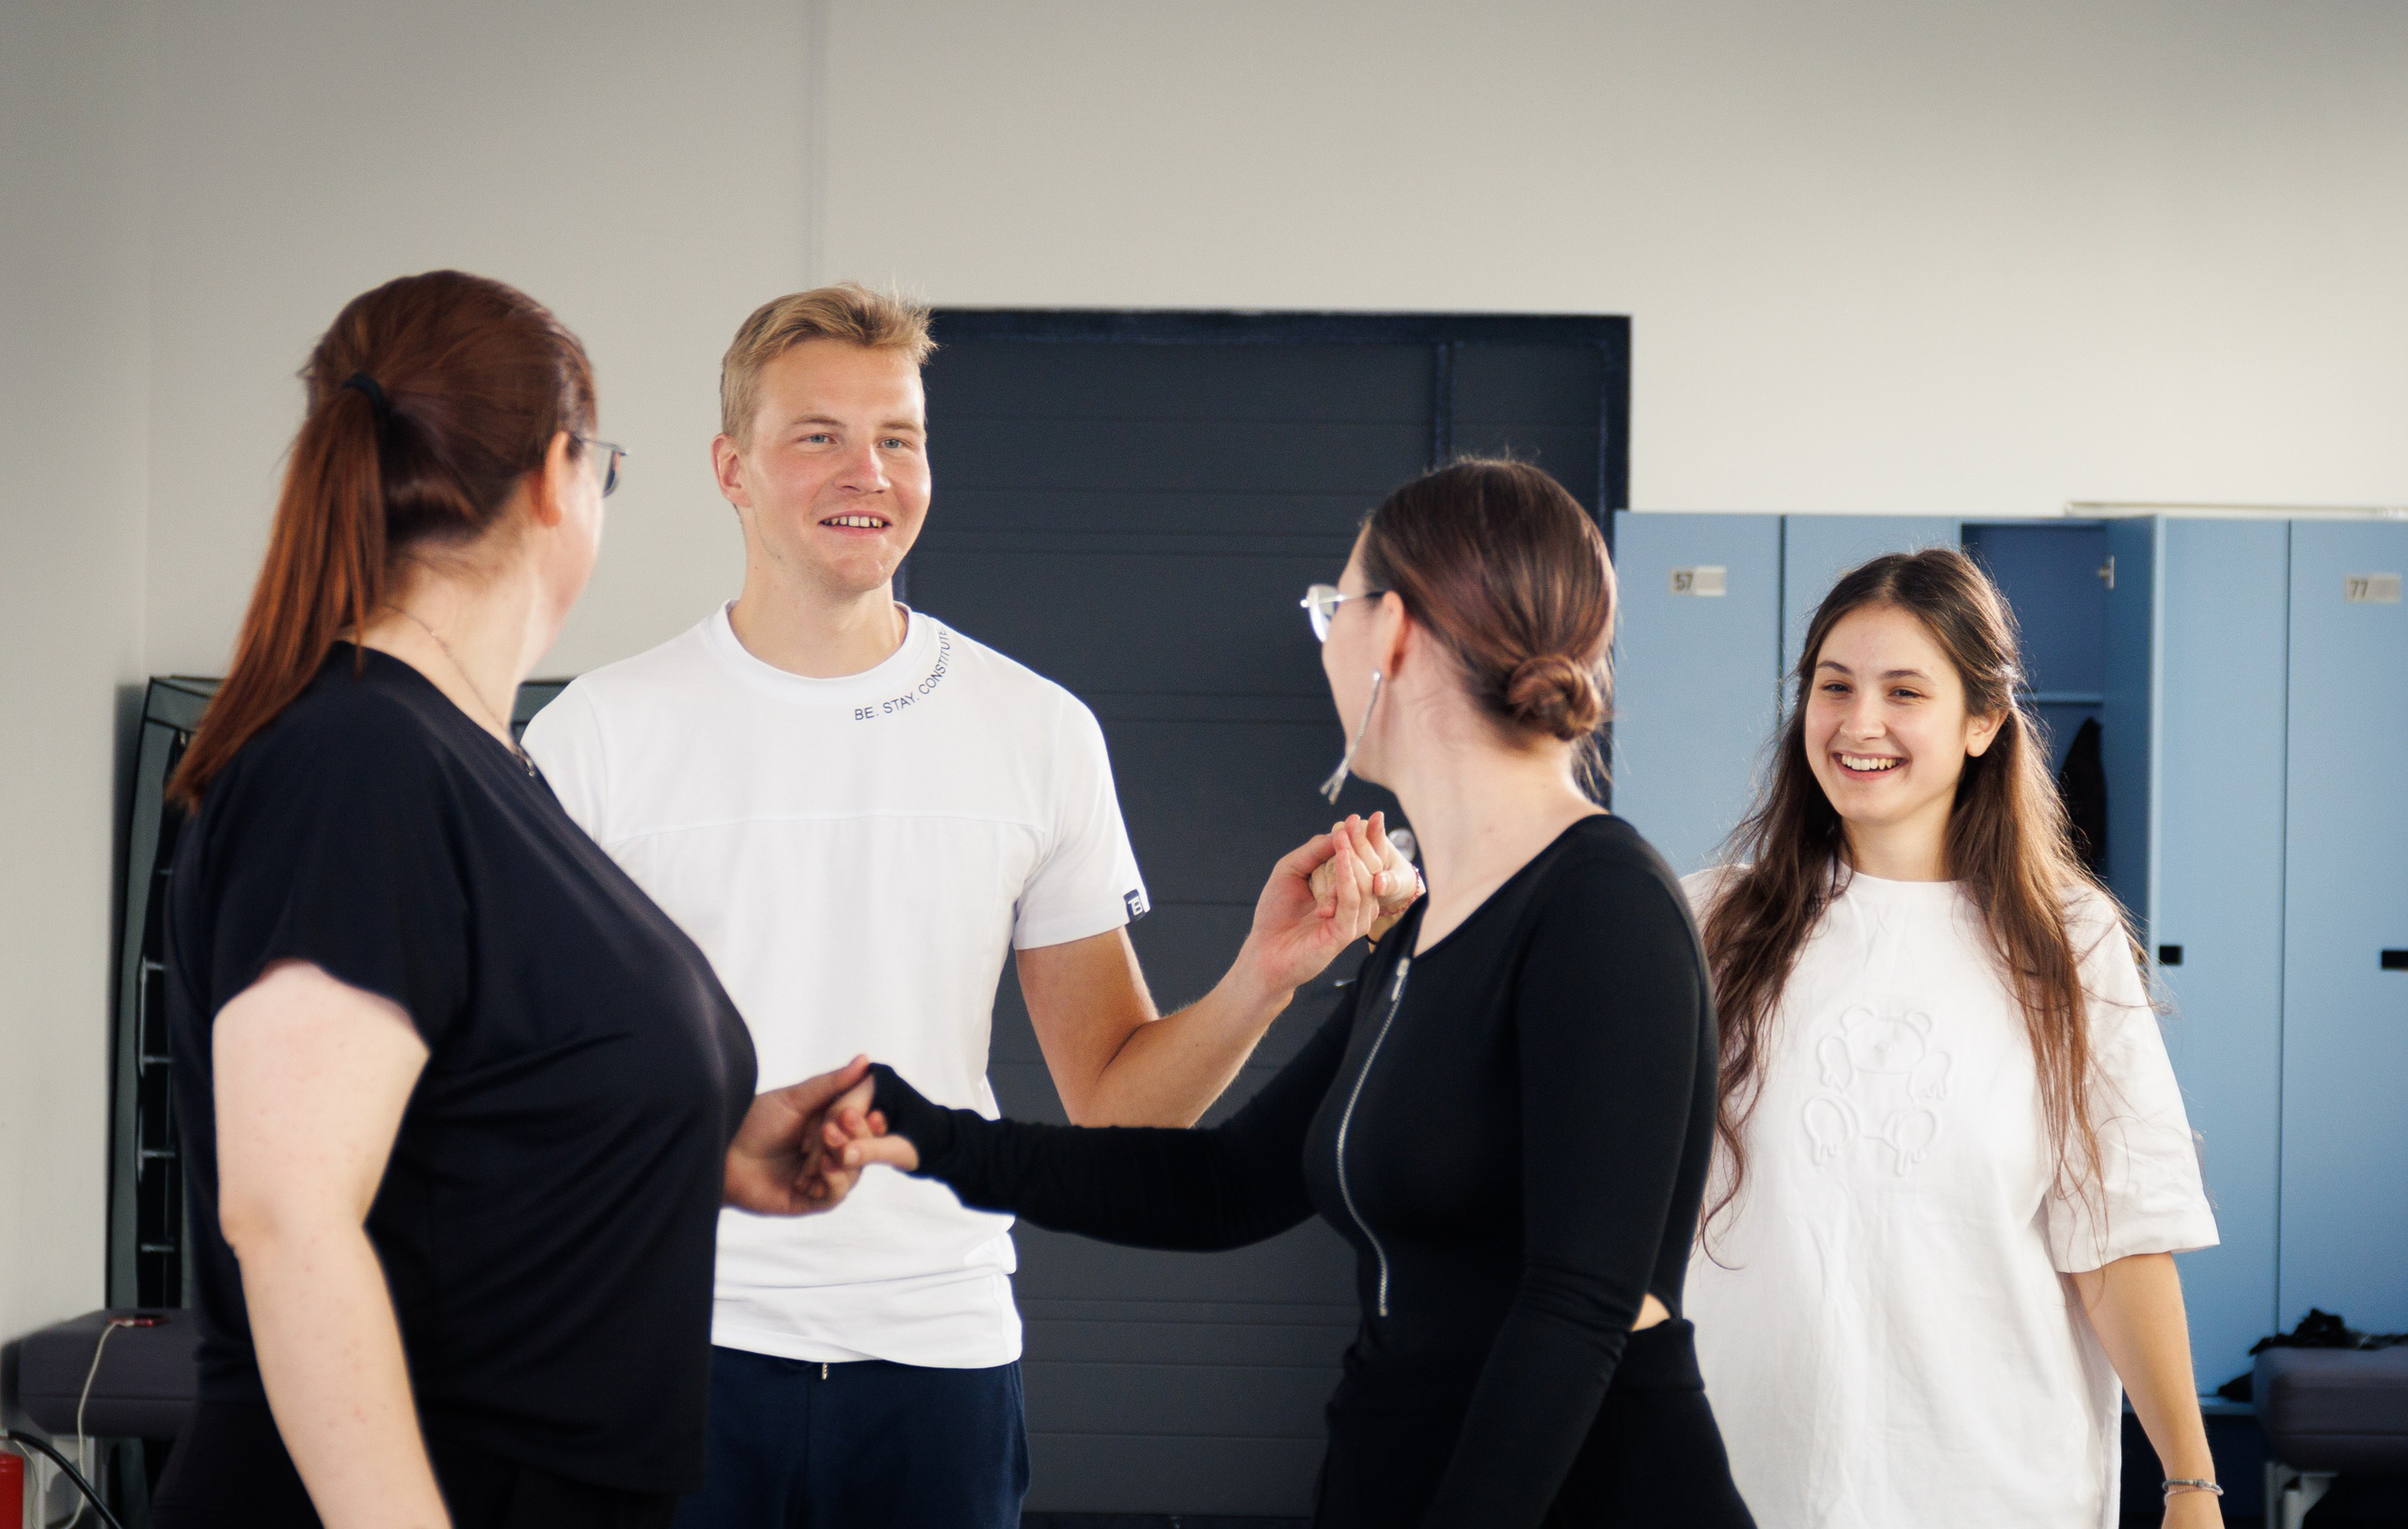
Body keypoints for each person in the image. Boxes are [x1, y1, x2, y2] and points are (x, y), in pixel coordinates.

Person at [519, 283, 1418, 1529]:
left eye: (901, 435)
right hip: (674, 1348)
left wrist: (1264, 974)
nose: (868, 471)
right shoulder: (599, 738)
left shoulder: (1034, 730)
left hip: (938, 1353)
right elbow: (529, 1090)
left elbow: (1113, 1096)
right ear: (731, 467)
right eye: (817, 434)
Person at [831, 458, 1759, 1528]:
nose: (1326, 641)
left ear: (1395, 634)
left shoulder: (1603, 908)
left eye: (1335, 608)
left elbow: (1576, 1308)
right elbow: (1226, 1185)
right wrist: (926, 1136)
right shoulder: (1427, 924)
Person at [153, 272, 874, 1529]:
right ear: (559, 475)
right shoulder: (356, 761)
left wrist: (696, 1141)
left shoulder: (479, 765)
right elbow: (289, 1212)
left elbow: (468, 1126)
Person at [1681, 549, 2222, 1529]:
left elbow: (2119, 1236)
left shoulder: (2066, 943)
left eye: (1903, 692)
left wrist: (2190, 1483)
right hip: (1747, 1480)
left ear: (1981, 721)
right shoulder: (1711, 923)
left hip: (1996, 1484)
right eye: (1832, 687)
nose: (1859, 724)